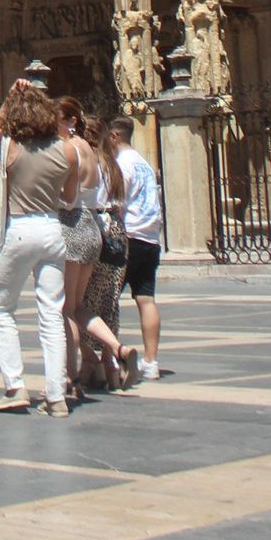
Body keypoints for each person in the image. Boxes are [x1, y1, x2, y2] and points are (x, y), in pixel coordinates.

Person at [0, 81, 72, 414]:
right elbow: (69, 193)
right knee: (51, 314)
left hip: (20, 230)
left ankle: (15, 386)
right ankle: (56, 396)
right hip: (52, 229)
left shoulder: (10, 146)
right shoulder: (63, 149)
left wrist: (10, 95)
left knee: (2, 308)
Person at [77, 120, 139, 393]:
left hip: (97, 230)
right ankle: (106, 367)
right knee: (109, 302)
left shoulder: (89, 162)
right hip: (118, 232)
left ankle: (105, 357)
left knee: (79, 302)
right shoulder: (114, 165)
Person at [54, 96, 104, 393]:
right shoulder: (90, 149)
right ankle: (113, 351)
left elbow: (68, 198)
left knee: (67, 310)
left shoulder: (68, 149)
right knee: (79, 305)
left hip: (72, 229)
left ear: (71, 121)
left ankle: (70, 376)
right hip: (93, 229)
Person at [108, 115, 163, 381]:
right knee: (146, 298)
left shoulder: (121, 165)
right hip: (151, 238)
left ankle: (110, 357)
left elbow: (116, 204)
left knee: (108, 299)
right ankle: (151, 362)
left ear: (115, 137)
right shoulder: (145, 164)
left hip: (129, 237)